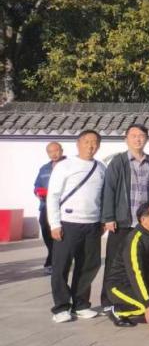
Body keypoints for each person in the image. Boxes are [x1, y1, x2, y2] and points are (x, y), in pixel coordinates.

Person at [100, 124, 149, 311]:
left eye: (141, 135)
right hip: (122, 222)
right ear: (126, 139)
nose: (137, 139)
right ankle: (108, 301)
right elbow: (109, 190)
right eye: (133, 135)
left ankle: (139, 297)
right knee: (114, 262)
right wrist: (109, 217)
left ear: (146, 139)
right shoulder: (118, 162)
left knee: (143, 263)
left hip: (145, 225)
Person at [47, 130, 106, 323]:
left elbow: (103, 197)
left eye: (94, 142)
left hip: (92, 224)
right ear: (78, 144)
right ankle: (61, 307)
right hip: (68, 223)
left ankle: (81, 305)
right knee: (61, 266)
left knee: (89, 265)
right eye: (87, 141)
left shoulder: (101, 168)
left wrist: (103, 221)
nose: (91, 146)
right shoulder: (65, 166)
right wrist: (54, 223)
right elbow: (53, 196)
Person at [105, 202, 149, 327]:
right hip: (120, 285)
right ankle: (116, 311)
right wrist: (148, 303)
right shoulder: (134, 240)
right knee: (143, 307)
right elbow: (136, 274)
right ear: (143, 219)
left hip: (144, 281)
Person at [33, 141, 65, 274]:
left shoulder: (70, 165)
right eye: (50, 152)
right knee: (47, 233)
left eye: (56, 150)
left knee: (61, 235)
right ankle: (53, 258)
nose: (54, 154)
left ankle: (53, 262)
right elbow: (36, 185)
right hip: (45, 206)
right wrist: (38, 192)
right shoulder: (44, 169)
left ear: (61, 151)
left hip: (63, 207)